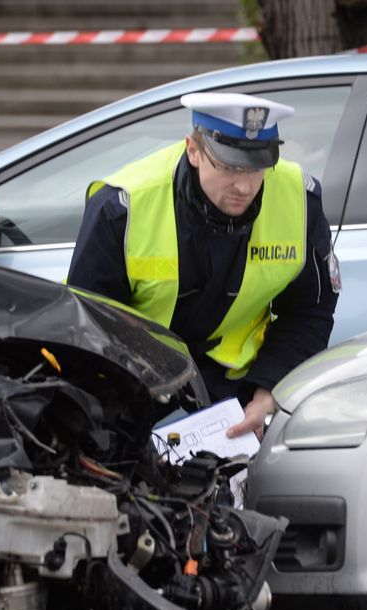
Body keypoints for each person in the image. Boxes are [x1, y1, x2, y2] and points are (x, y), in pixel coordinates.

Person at [68, 92, 340, 439]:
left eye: (256, 168)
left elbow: (310, 310)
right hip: (136, 384)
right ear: (193, 151)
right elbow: (88, 328)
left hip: (238, 390)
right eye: (228, 167)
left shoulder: (298, 199)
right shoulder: (123, 207)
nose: (244, 186)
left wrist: (268, 393)